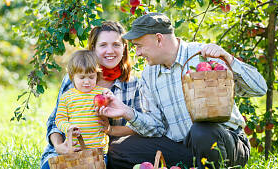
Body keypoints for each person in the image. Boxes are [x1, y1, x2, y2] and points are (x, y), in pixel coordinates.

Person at [97, 13, 268, 169]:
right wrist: (126, 112)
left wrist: (228, 58)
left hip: (222, 143)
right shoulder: (149, 74)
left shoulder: (202, 55)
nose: (138, 53)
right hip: (182, 146)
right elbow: (157, 128)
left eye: (139, 46)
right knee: (118, 150)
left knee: (201, 131)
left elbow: (259, 88)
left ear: (158, 39)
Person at [40, 21, 141, 169]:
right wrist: (59, 146)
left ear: (124, 48)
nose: (110, 50)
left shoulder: (132, 84)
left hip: (102, 154)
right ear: (93, 48)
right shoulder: (75, 79)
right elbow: (56, 120)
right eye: (103, 45)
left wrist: (111, 130)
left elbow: (140, 125)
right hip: (69, 150)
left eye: (116, 44)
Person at [55, 50, 112, 158]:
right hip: (76, 150)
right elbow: (59, 119)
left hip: (98, 151)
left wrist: (110, 102)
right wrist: (68, 127)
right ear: (72, 76)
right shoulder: (67, 97)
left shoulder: (102, 93)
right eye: (81, 77)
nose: (87, 82)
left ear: (97, 75)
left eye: (91, 77)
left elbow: (115, 113)